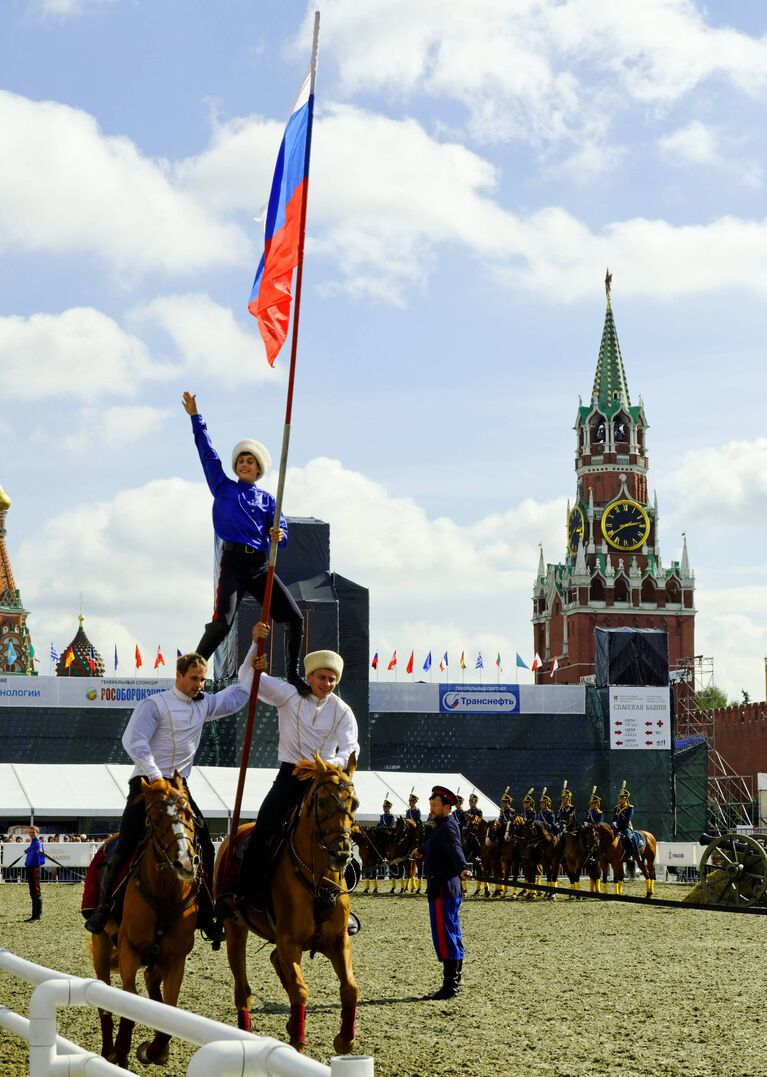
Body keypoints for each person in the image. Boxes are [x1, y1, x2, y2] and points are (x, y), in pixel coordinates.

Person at [84, 647, 257, 945]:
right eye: (193, 679)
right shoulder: (154, 704)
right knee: (126, 843)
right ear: (178, 675)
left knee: (203, 841)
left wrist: (253, 655)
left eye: (202, 680)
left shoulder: (204, 704)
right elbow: (134, 741)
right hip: (147, 783)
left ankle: (205, 914)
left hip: (180, 785)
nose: (199, 685)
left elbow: (238, 696)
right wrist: (154, 776)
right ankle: (103, 909)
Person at [221, 621, 359, 913]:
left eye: (333, 679)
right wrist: (254, 645)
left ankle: (342, 901)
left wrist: (325, 764)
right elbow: (247, 676)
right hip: (290, 776)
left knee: (340, 830)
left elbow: (350, 750)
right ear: (309, 676)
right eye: (322, 678)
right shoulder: (288, 693)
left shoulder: (342, 711)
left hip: (325, 780)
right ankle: (245, 894)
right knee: (264, 827)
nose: (328, 684)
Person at [182, 391, 309, 694]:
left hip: (260, 565)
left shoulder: (267, 499)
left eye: (250, 461)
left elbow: (281, 529)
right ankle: (194, 675)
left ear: (258, 468)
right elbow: (208, 454)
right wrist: (196, 419)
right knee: (222, 622)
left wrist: (281, 534)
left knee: (294, 618)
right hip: (234, 563)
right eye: (241, 460)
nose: (244, 464)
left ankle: (292, 674)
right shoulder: (223, 487)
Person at [422, 786, 472, 1000]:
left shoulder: (448, 827)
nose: (431, 809)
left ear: (446, 806)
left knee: (446, 936)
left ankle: (450, 986)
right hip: (442, 887)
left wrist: (462, 867)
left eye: (435, 805)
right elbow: (436, 845)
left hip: (444, 887)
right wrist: (421, 850)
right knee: (451, 933)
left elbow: (454, 848)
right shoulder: (440, 826)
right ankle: (453, 983)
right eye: (430, 805)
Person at [613, 782, 642, 860]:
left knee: (628, 838)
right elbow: (614, 817)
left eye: (622, 798)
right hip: (617, 827)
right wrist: (614, 823)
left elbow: (627, 819)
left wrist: (617, 823)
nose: (620, 799)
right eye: (620, 798)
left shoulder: (630, 808)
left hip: (626, 827)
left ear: (626, 798)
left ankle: (630, 855)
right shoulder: (616, 808)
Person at [23, 827, 45, 922]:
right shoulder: (32, 842)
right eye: (30, 832)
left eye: (33, 832)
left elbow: (39, 848)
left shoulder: (37, 842)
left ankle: (37, 916)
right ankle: (34, 915)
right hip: (30, 869)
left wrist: (36, 850)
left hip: (35, 868)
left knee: (36, 892)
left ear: (37, 833)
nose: (31, 834)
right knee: (32, 892)